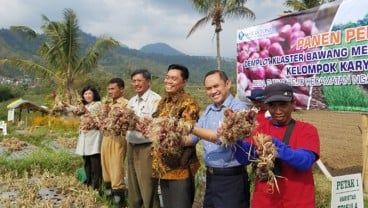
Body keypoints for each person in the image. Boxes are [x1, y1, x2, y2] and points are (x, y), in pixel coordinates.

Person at [235, 83, 320, 208]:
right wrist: (234, 141)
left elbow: (304, 162)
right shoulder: (259, 129)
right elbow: (244, 158)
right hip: (264, 202)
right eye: (272, 106)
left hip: (298, 202)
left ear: (293, 104)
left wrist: (275, 145)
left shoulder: (307, 130)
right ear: (267, 106)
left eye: (283, 105)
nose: (278, 111)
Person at [190, 70, 251, 208]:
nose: (213, 91)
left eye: (216, 86)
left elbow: (221, 137)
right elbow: (192, 139)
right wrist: (172, 132)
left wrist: (189, 127)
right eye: (209, 88)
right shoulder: (208, 111)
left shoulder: (239, 109)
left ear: (228, 84)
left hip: (231, 180)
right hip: (211, 178)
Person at [151, 64, 200, 208]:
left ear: (184, 82)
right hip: (163, 166)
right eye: (167, 77)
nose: (168, 81)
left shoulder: (188, 103)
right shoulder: (163, 102)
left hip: (180, 166)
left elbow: (186, 134)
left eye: (174, 78)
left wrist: (160, 132)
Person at [126, 69, 161, 208]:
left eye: (139, 81)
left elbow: (158, 126)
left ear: (148, 81)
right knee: (133, 185)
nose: (136, 84)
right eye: (134, 81)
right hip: (131, 145)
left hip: (147, 147)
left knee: (147, 186)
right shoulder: (132, 101)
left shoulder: (156, 100)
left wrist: (141, 125)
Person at [100, 78, 129, 207]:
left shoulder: (126, 104)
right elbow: (102, 123)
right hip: (106, 138)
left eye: (113, 89)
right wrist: (104, 113)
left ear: (121, 89)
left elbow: (126, 123)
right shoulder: (107, 104)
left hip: (118, 139)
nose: (110, 91)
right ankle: (109, 200)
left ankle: (119, 203)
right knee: (106, 170)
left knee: (116, 170)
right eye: (109, 89)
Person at [73, 85, 103, 190]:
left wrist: (79, 107)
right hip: (85, 136)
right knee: (86, 161)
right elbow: (76, 111)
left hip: (94, 136)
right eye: (85, 94)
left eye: (89, 93)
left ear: (94, 94)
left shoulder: (97, 104)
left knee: (95, 162)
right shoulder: (85, 106)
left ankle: (96, 186)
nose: (87, 96)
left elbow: (89, 113)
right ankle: (89, 183)